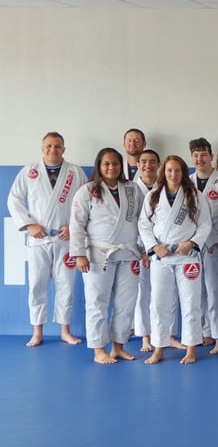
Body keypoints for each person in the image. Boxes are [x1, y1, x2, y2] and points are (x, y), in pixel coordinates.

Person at [7, 132, 86, 347]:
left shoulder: (75, 172)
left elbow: (86, 202)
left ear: (63, 149)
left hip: (65, 238)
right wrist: (29, 225)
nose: (53, 149)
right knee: (37, 285)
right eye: (49, 146)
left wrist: (74, 227)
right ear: (42, 148)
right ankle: (37, 331)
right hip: (39, 239)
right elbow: (14, 199)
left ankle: (65, 330)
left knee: (66, 285)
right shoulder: (29, 171)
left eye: (57, 146)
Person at [69, 148, 145, 364]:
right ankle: (99, 349)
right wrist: (79, 254)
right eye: (106, 164)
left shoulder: (132, 189)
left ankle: (118, 346)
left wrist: (144, 250)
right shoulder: (87, 190)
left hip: (129, 252)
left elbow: (143, 220)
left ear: (121, 166)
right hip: (98, 254)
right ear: (99, 166)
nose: (111, 168)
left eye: (115, 164)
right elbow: (77, 224)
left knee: (126, 302)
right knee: (97, 301)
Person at [138, 155, 211, 365]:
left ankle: (191, 348)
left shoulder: (195, 195)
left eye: (177, 170)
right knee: (158, 303)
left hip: (187, 257)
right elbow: (144, 225)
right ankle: (159, 348)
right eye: (169, 170)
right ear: (163, 172)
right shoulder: (153, 196)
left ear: (183, 172)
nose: (173, 174)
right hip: (162, 257)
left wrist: (192, 242)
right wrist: (154, 247)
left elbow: (205, 224)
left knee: (191, 303)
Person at [189, 138, 218, 351]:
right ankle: (201, 330)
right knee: (194, 290)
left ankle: (215, 331)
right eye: (195, 155)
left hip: (214, 242)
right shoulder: (186, 181)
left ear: (211, 156)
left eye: (203, 155)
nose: (200, 159)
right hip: (191, 243)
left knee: (214, 288)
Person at [132, 149, 161, 350]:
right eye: (144, 162)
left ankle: (166, 335)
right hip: (139, 247)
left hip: (163, 248)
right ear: (138, 165)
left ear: (158, 165)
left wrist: (156, 247)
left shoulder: (166, 187)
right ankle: (145, 336)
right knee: (142, 293)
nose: (148, 165)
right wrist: (144, 249)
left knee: (164, 294)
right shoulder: (131, 189)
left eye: (152, 162)